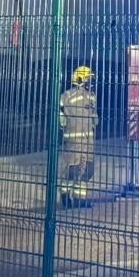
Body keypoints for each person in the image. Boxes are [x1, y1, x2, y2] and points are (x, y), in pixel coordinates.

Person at [58, 65, 98, 207]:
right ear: (80, 79)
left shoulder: (91, 97)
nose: (91, 82)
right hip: (74, 140)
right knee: (72, 170)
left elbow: (94, 118)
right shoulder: (67, 95)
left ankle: (80, 199)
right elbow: (60, 114)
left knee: (87, 170)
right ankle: (65, 195)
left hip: (88, 141)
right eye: (88, 79)